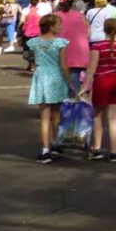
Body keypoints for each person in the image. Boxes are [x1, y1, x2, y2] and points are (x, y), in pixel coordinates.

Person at [79, 18, 116, 161]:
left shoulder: (98, 46)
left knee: (98, 115)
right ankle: (113, 151)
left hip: (102, 80)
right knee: (114, 118)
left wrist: (84, 87)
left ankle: (97, 147)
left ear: (104, 29)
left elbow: (91, 68)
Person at [27, 14, 74, 163]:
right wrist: (70, 83)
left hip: (41, 75)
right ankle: (56, 142)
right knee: (56, 113)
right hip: (56, 76)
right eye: (58, 25)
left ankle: (45, 149)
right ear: (51, 26)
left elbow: (33, 59)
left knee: (44, 117)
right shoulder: (60, 43)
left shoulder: (34, 42)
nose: (60, 27)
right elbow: (64, 65)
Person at [55, 0, 90, 90]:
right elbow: (89, 33)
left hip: (61, 51)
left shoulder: (55, 16)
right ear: (72, 4)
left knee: (62, 80)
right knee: (75, 78)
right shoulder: (80, 16)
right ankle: (75, 101)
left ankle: (67, 101)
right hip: (78, 52)